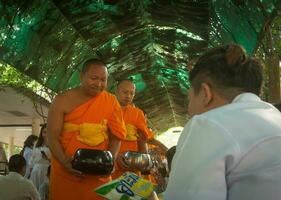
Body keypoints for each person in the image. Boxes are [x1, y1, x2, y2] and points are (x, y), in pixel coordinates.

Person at [149, 44, 281, 200]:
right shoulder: (275, 117)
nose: (189, 111)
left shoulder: (206, 124)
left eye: (189, 99)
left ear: (206, 93)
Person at [47, 58, 127, 200]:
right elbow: (52, 138)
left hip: (99, 174)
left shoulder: (111, 101)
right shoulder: (62, 100)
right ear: (81, 76)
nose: (99, 84)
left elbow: (116, 137)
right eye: (94, 78)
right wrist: (65, 162)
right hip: (66, 171)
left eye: (103, 80)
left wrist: (110, 161)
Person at [113, 79, 153, 178]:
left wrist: (145, 162)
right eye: (125, 92)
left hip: (131, 164)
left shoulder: (137, 113)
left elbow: (142, 140)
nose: (128, 96)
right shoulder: (107, 109)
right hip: (112, 161)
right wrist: (115, 155)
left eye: (132, 93)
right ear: (116, 91)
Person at [29, 124, 51, 190]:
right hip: (36, 170)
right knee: (34, 190)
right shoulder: (37, 143)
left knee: (44, 190)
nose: (46, 134)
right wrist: (31, 170)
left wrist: (48, 159)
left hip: (47, 170)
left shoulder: (53, 144)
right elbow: (32, 158)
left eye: (48, 132)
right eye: (44, 132)